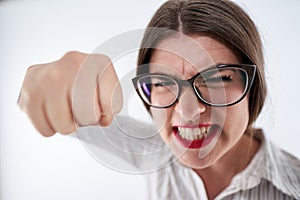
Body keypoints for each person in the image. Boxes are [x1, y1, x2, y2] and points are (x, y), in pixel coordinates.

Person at [18, 0, 300, 199]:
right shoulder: (154, 149)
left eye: (218, 79)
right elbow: (63, 109)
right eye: (163, 82)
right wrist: (50, 86)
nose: (189, 112)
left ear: (253, 87)